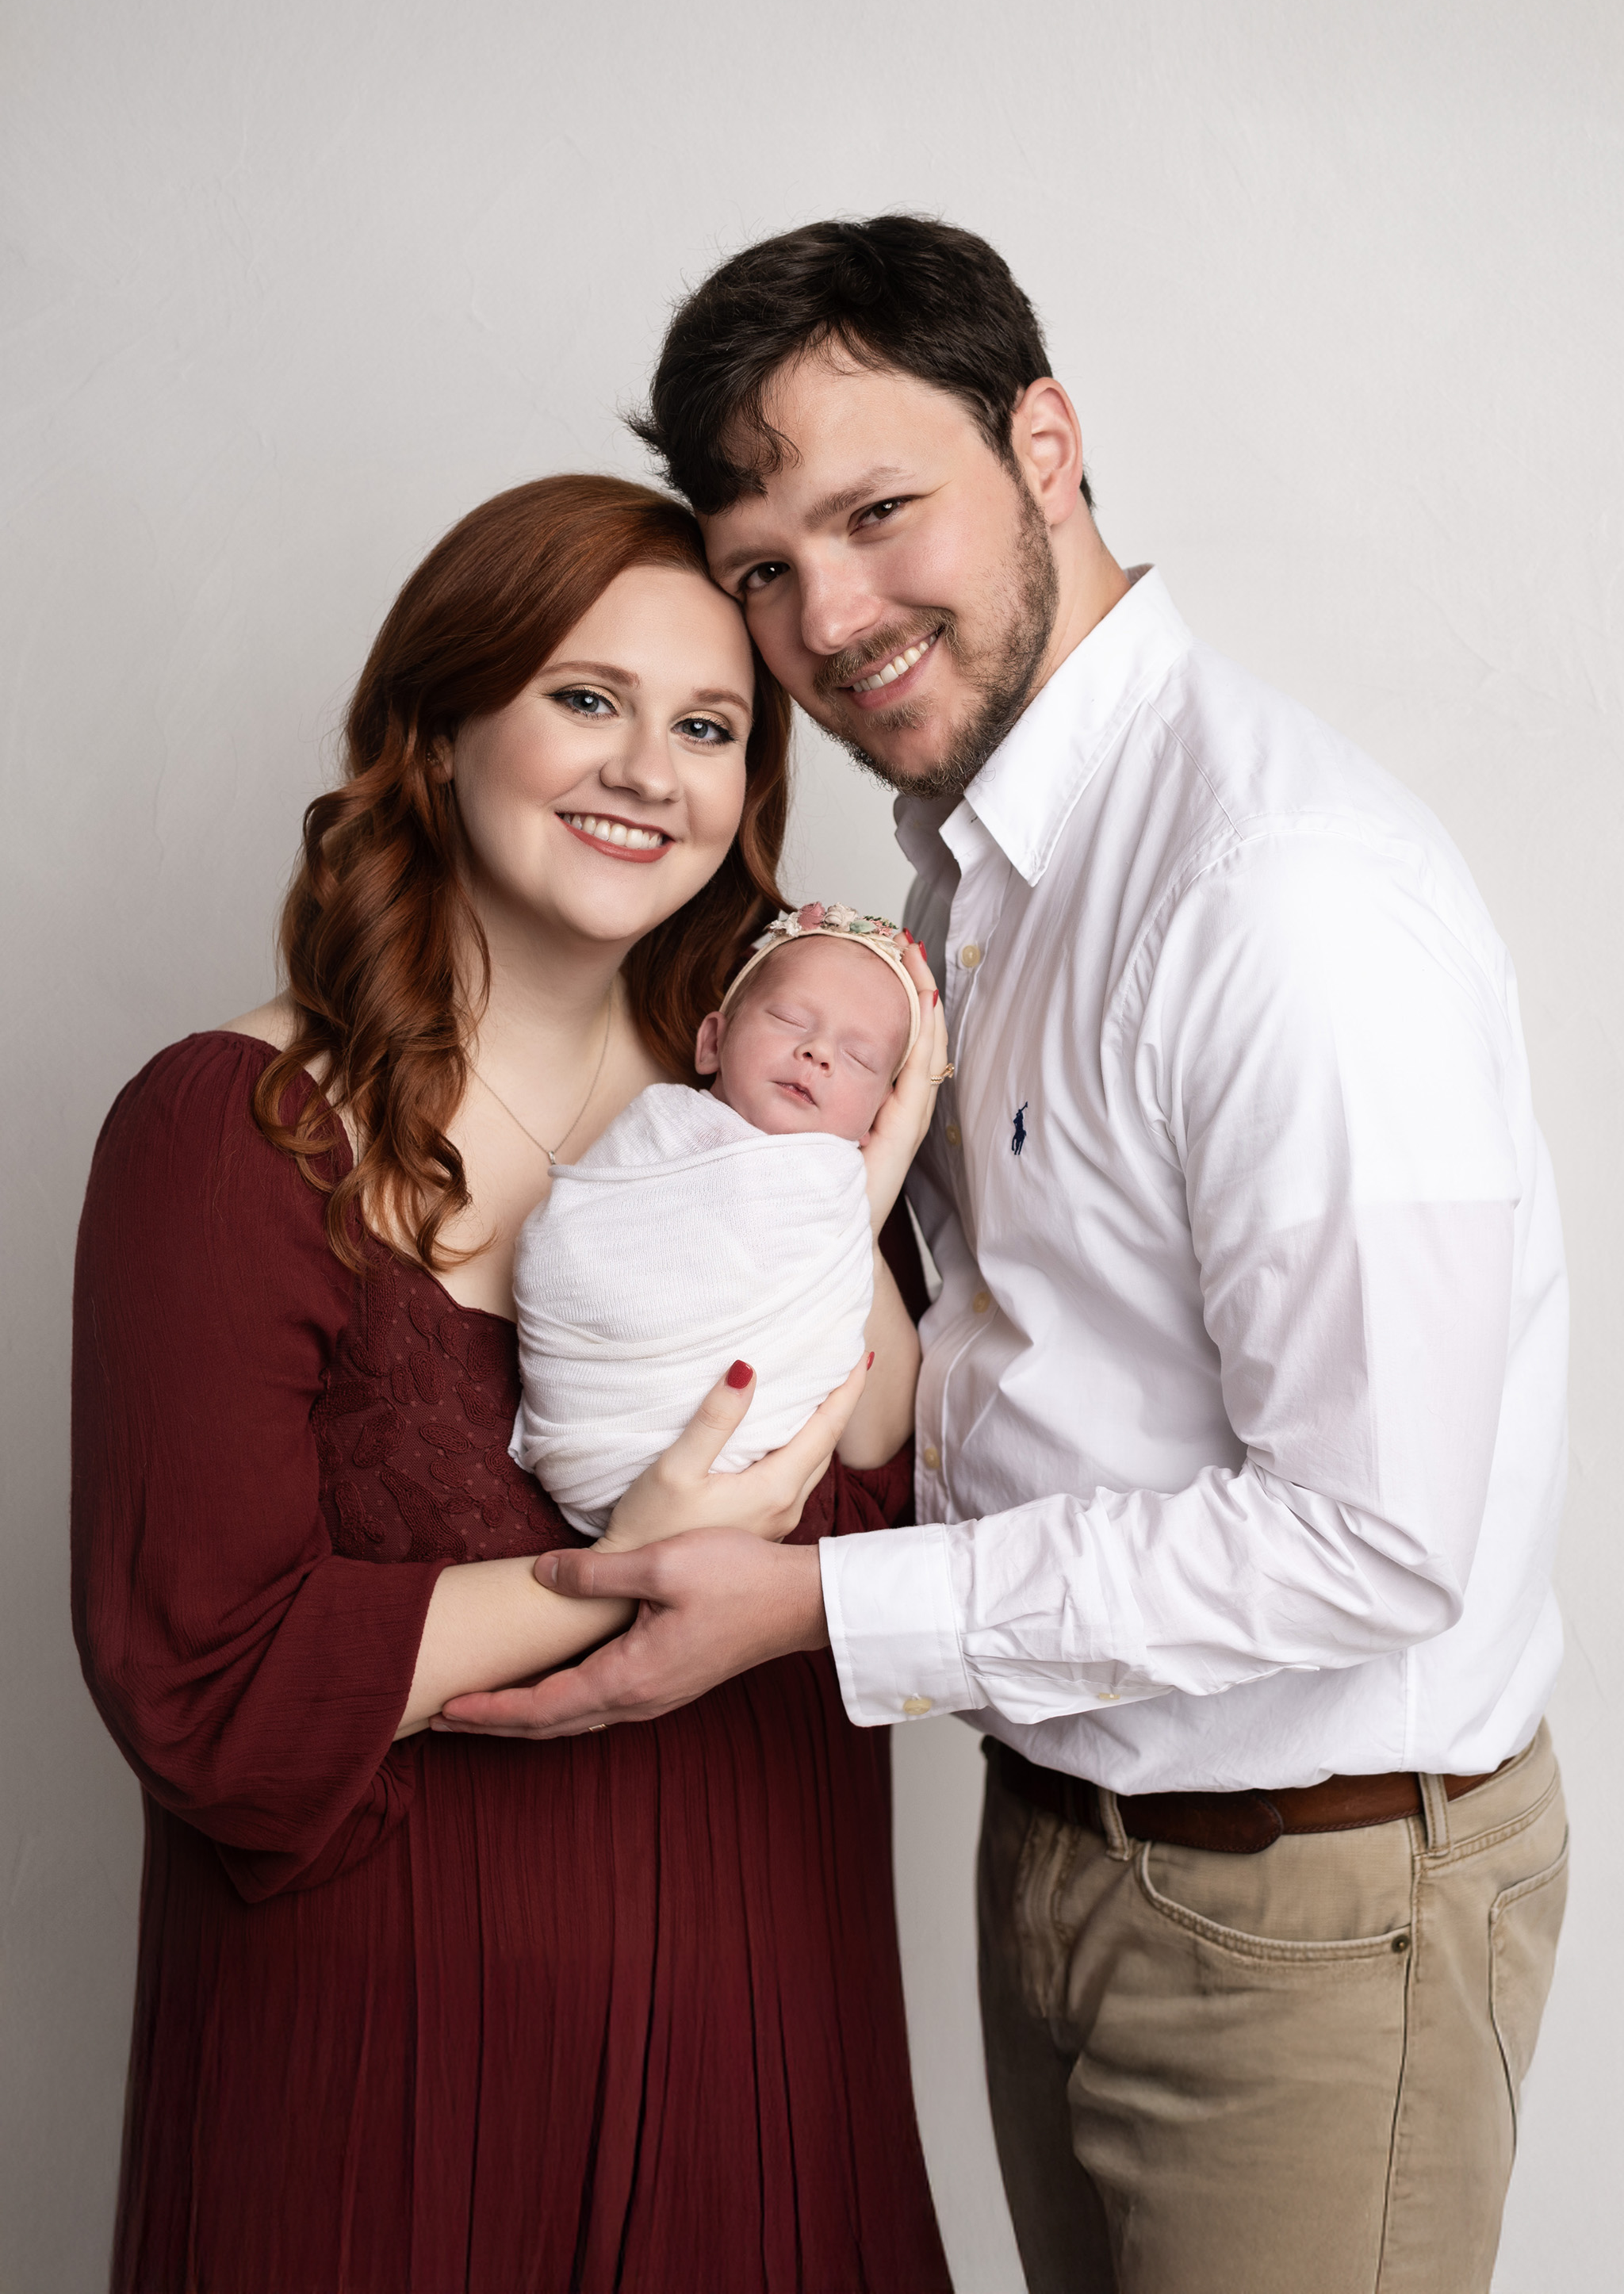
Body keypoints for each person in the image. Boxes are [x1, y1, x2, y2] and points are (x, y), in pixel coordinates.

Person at [442, 224, 1571, 2294]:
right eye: (765, 564)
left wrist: (810, 1605)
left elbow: (1375, 1538)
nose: (830, 618)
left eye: (880, 513)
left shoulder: (1277, 896)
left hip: (1305, 1908)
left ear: (1047, 443)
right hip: (1062, 1827)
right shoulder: (962, 867)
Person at [71, 472, 954, 2293]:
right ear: (439, 723)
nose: (649, 769)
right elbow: (208, 1683)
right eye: (584, 698)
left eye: (707, 725)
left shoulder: (788, 1141)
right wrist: (613, 1562)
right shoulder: (226, 1135)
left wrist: (871, 1160)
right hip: (381, 2111)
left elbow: (894, 1508)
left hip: (761, 2074)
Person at [509, 906, 925, 1536]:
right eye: (788, 1019)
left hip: (740, 1482)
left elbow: (870, 1436)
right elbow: (567, 1246)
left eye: (861, 1059)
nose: (816, 1053)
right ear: (711, 1042)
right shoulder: (663, 1123)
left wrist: (878, 1178)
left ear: (874, 1120)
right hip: (597, 1423)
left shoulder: (841, 1191)